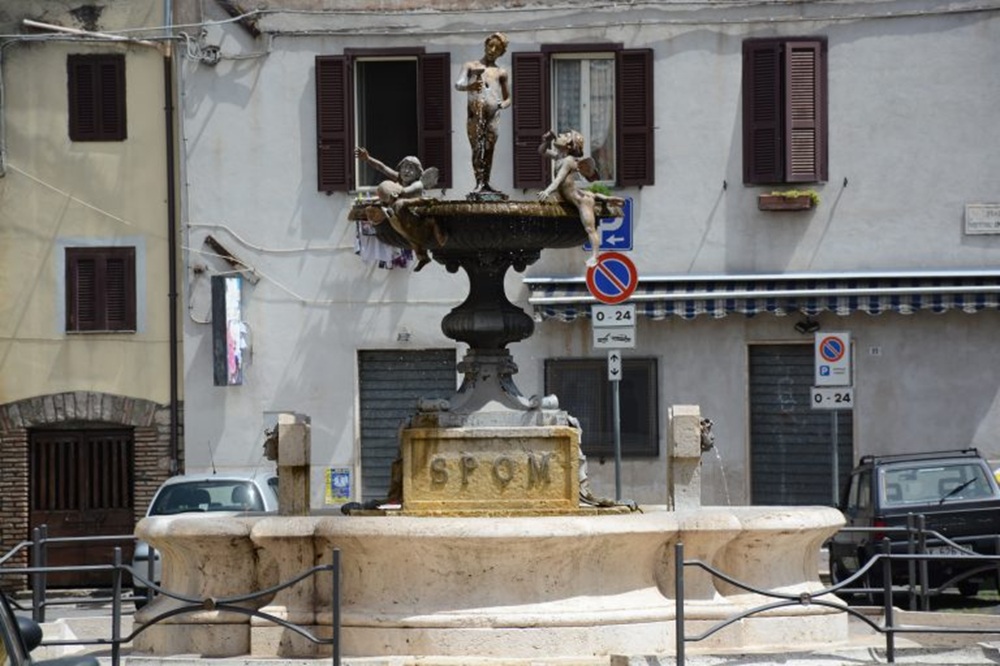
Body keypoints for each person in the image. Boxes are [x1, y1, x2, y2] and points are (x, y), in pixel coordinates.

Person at [537, 129, 625, 267]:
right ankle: (604, 198)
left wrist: (547, 191)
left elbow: (558, 180)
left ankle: (595, 256)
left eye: (565, 135)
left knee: (590, 229)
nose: (560, 135)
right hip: (572, 196)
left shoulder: (568, 161)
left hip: (580, 200)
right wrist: (546, 141)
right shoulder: (560, 156)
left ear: (569, 145)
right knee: (590, 199)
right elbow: (542, 151)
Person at [354, 147, 443, 271]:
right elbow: (382, 167)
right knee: (380, 212)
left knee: (397, 210)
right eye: (404, 167)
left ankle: (423, 252)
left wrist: (392, 194)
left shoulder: (417, 184)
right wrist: (368, 159)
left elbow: (405, 192)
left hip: (416, 216)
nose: (406, 171)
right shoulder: (399, 179)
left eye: (411, 168)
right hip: (402, 215)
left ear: (418, 173)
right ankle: (422, 256)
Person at [455, 32, 511, 196]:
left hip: (493, 116)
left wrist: (503, 104)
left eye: (497, 48)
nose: (492, 50)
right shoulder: (471, 66)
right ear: (485, 45)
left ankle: (486, 181)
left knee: (489, 149)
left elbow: (508, 98)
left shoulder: (501, 72)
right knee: (477, 148)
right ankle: (479, 182)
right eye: (490, 45)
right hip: (474, 115)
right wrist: (469, 87)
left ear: (501, 52)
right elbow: (458, 84)